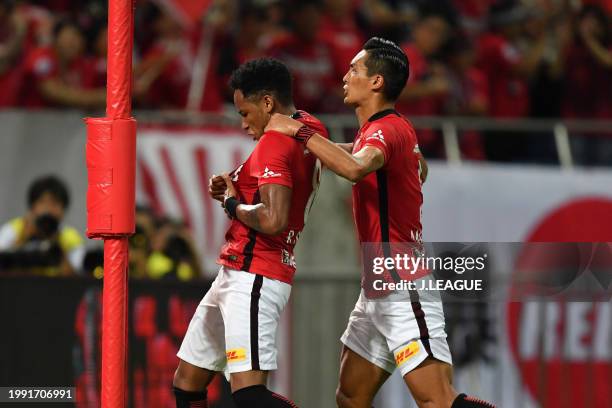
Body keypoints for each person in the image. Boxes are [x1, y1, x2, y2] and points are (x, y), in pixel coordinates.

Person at [265, 38, 495, 407]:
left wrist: (300, 133)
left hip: (403, 283)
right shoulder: (382, 130)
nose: (345, 75)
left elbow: (356, 167)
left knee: (437, 400)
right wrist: (305, 145)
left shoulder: (386, 129)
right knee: (351, 396)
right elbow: (360, 156)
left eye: (354, 69)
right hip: (379, 286)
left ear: (376, 82)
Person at [172, 58, 328, 408]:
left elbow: (273, 218)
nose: (243, 123)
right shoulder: (309, 125)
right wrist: (239, 182)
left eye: (245, 113)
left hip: (255, 273)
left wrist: (230, 203)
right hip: (237, 271)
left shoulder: (275, 141)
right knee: (188, 382)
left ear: (268, 103)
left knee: (250, 396)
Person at [0, 175, 84, 275]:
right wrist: (23, 238)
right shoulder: (14, 230)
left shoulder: (71, 238)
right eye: (42, 202)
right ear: (32, 207)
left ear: (63, 209)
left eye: (55, 203)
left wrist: (57, 246)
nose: (48, 209)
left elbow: (77, 279)